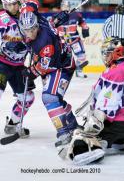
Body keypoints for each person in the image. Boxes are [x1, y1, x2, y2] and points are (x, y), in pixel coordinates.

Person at [66, 37, 124, 165]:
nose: (105, 57)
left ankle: (88, 150)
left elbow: (109, 102)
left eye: (108, 53)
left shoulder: (116, 71)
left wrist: (92, 127)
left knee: (82, 137)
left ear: (117, 52)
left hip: (123, 122)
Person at [19, 11, 78, 149]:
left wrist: (30, 72)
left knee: (50, 97)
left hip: (61, 66)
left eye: (32, 29)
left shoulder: (44, 41)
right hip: (56, 63)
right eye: (26, 30)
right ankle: (74, 126)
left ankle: (64, 133)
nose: (30, 33)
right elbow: (32, 3)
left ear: (36, 25)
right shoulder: (40, 21)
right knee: (56, 100)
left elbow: (43, 67)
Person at [0, 0, 35, 137]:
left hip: (18, 65)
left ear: (19, 2)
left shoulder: (27, 17)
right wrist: (5, 46)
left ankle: (13, 124)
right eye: (8, 4)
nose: (12, 7)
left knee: (28, 98)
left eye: (14, 3)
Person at [53, 0, 89, 78]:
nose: (65, 7)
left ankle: (79, 70)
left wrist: (85, 28)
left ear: (69, 7)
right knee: (61, 58)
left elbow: (82, 22)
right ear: (61, 7)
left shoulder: (76, 15)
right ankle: (61, 73)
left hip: (75, 40)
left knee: (82, 56)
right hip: (62, 42)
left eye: (67, 6)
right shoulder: (56, 16)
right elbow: (52, 26)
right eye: (63, 6)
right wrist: (56, 21)